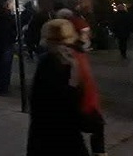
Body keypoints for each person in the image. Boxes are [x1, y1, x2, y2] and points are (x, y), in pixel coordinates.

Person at [27, 19, 106, 156]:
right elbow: (69, 102)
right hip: (62, 136)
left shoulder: (51, 62)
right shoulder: (67, 63)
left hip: (46, 136)